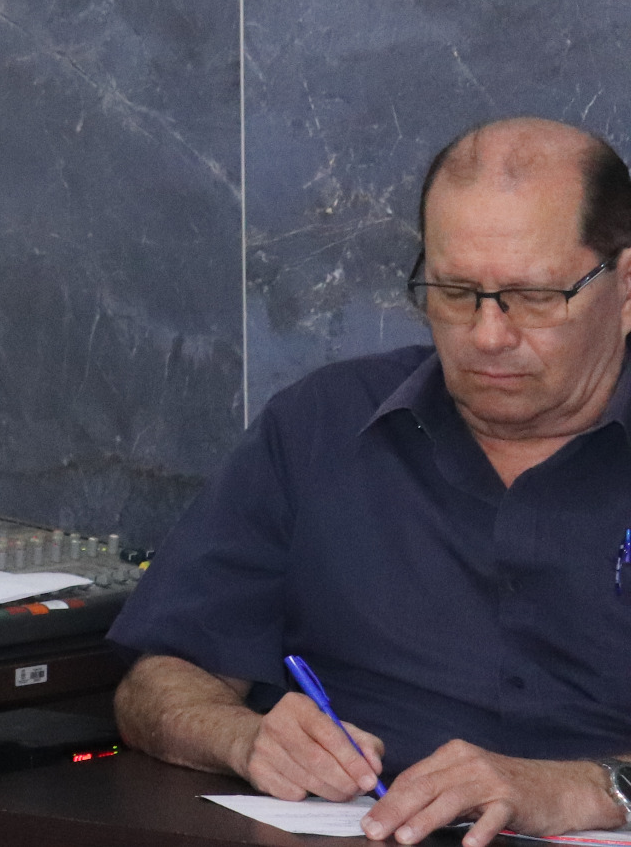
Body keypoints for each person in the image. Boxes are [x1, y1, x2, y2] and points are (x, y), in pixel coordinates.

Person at [112, 117, 631, 847]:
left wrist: (594, 788)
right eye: (455, 292)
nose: (489, 335)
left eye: (534, 296)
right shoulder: (321, 427)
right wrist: (246, 738)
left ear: (626, 287)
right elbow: (157, 683)